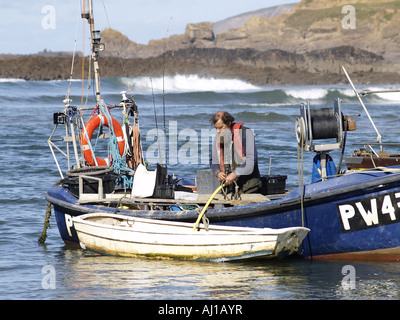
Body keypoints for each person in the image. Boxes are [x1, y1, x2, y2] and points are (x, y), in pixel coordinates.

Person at [210, 111, 261, 194]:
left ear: (229, 123)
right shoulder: (218, 137)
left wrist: (235, 174)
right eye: (216, 128)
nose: (218, 131)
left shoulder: (246, 133)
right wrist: (217, 172)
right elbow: (213, 160)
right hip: (227, 188)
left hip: (248, 187)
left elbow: (251, 160)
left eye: (221, 127)